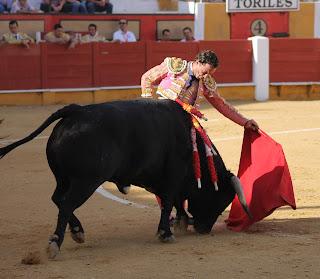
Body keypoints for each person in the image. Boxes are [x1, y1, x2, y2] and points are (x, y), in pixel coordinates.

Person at [141, 50, 259, 220]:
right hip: (161, 120)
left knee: (200, 156)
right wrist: (148, 107)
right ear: (197, 62)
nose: (207, 75)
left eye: (211, 73)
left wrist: (245, 122)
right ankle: (165, 210)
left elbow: (221, 105)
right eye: (206, 71)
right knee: (160, 164)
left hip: (183, 124)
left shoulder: (206, 82)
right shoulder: (174, 66)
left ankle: (184, 207)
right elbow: (147, 78)